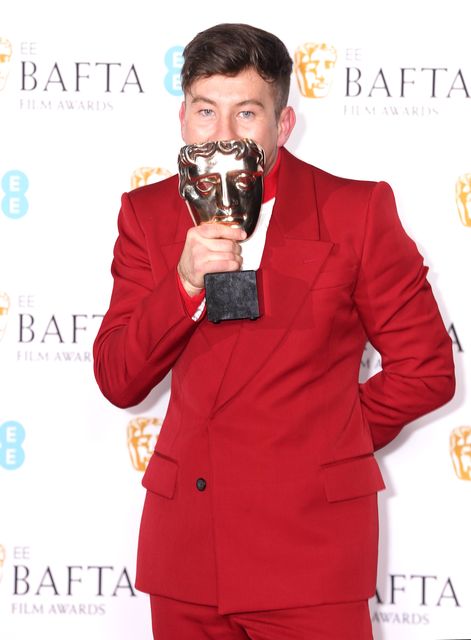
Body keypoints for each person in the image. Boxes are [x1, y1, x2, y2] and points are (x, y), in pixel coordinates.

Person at [93, 23, 455, 640]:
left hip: (310, 549)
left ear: (282, 125)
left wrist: (326, 438)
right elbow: (120, 380)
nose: (225, 133)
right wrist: (181, 284)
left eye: (247, 113)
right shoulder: (148, 214)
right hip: (188, 550)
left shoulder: (356, 210)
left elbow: (427, 370)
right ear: (183, 118)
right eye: (207, 111)